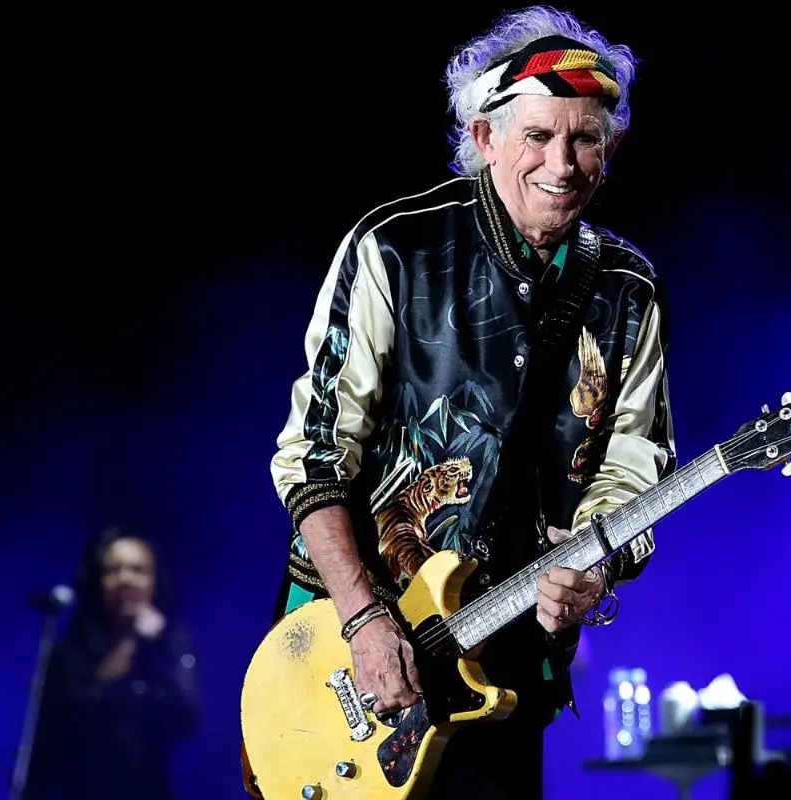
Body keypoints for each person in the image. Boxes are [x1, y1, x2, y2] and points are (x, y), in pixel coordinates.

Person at [265, 5, 675, 798]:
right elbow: (312, 454)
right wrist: (363, 617)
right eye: (538, 136)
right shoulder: (394, 246)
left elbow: (631, 467)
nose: (564, 163)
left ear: (610, 147)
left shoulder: (630, 290)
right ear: (485, 139)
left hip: (506, 666)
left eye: (586, 138)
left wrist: (592, 568)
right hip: (347, 648)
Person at [25, 526, 201, 800]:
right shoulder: (70, 651)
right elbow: (61, 727)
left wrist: (157, 647)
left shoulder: (172, 645)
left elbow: (187, 719)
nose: (125, 579)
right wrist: (128, 645)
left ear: (155, 581)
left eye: (138, 570)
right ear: (97, 580)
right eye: (113, 570)